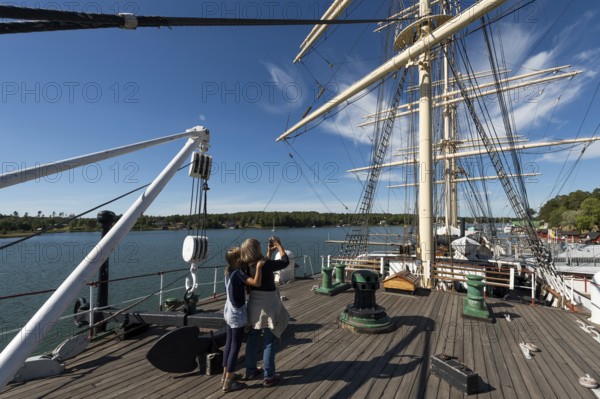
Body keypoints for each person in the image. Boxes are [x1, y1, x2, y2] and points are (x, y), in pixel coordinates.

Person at [241, 236, 290, 388]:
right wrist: (279, 246)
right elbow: (285, 262)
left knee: (253, 338)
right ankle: (269, 376)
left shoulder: (244, 266)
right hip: (269, 305)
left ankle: (250, 371)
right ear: (256, 250)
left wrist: (269, 252)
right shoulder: (265, 264)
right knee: (269, 341)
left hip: (254, 305)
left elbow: (260, 268)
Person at [221, 247, 264, 392]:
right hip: (236, 314)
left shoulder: (228, 272)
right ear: (238, 260)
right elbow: (256, 283)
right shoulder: (238, 274)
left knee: (228, 345)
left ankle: (226, 374)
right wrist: (258, 267)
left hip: (228, 311)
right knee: (235, 347)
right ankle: (228, 382)